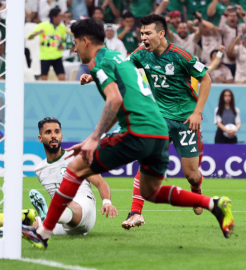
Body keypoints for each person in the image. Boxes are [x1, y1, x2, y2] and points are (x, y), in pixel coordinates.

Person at [21, 19, 234, 251]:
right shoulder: (120, 57)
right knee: (150, 191)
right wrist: (94, 81)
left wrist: (94, 138)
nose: (73, 48)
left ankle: (43, 233)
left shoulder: (100, 60)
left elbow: (115, 100)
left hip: (141, 130)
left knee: (74, 169)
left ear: (85, 41)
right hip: (158, 129)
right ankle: (214, 204)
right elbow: (120, 91)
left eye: (74, 43)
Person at [123, 14, 214, 228]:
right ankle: (136, 212)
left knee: (191, 174)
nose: (143, 37)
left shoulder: (181, 55)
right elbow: (121, 67)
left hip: (185, 120)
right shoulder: (141, 54)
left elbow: (206, 78)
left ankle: (197, 190)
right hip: (160, 118)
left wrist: (197, 113)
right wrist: (93, 75)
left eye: (147, 33)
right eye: (142, 33)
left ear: (161, 34)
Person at [29, 117, 117, 236]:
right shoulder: (39, 170)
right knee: (26, 222)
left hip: (84, 209)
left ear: (61, 136)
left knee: (65, 201)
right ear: (40, 138)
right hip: (62, 221)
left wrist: (107, 202)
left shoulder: (77, 158)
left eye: (57, 131)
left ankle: (49, 216)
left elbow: (100, 183)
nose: (53, 135)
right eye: (48, 132)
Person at [28, 8, 66, 81]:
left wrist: (62, 45)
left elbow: (63, 40)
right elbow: (29, 37)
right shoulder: (43, 25)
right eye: (60, 16)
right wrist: (36, 33)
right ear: (54, 17)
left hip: (57, 56)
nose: (62, 18)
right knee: (44, 79)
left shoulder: (62, 27)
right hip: (45, 56)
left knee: (62, 78)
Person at [219, 9, 246, 76]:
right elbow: (220, 29)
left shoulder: (241, 27)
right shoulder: (225, 28)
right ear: (227, 19)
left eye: (234, 16)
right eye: (230, 16)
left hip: (239, 61)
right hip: (226, 60)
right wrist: (225, 15)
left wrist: (243, 14)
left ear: (237, 19)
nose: (232, 17)